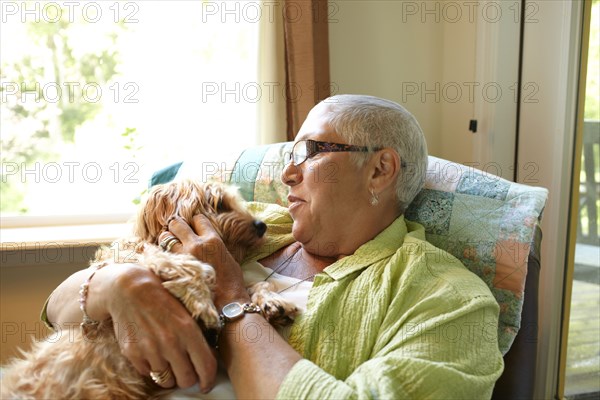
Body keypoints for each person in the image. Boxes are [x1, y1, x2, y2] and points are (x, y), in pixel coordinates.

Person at [44, 94, 504, 399]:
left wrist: (229, 297)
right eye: (289, 157)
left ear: (380, 169)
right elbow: (55, 308)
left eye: (309, 151)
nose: (286, 174)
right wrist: (118, 284)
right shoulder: (263, 225)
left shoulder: (446, 297)